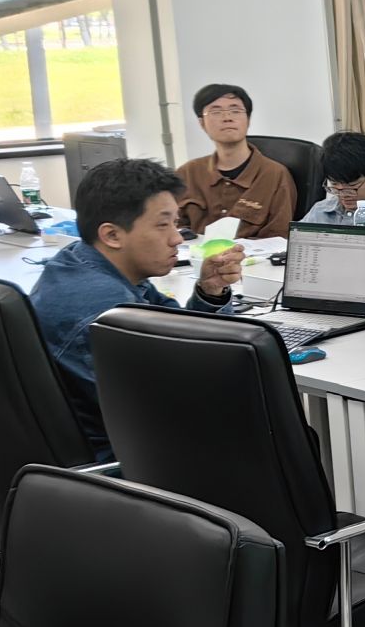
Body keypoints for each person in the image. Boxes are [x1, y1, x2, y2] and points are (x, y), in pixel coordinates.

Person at [31, 158, 244, 456]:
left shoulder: (85, 260)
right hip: (129, 461)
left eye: (176, 222)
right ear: (112, 235)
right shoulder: (108, 310)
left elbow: (178, 334)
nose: (176, 238)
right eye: (162, 225)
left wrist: (210, 291)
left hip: (118, 446)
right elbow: (172, 406)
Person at [174, 82, 295, 238]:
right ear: (202, 123)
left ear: (248, 120)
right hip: (196, 254)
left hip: (251, 254)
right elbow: (173, 229)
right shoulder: (187, 173)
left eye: (235, 111)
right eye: (216, 112)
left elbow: (279, 237)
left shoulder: (275, 175)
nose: (227, 118)